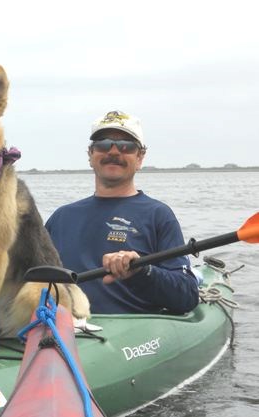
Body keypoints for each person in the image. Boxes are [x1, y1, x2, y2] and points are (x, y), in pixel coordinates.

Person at [45, 110, 200, 314]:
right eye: (103, 144)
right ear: (91, 155)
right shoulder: (61, 218)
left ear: (140, 157)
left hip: (131, 335)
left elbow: (187, 296)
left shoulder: (158, 215)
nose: (114, 152)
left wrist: (141, 271)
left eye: (126, 146)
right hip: (65, 329)